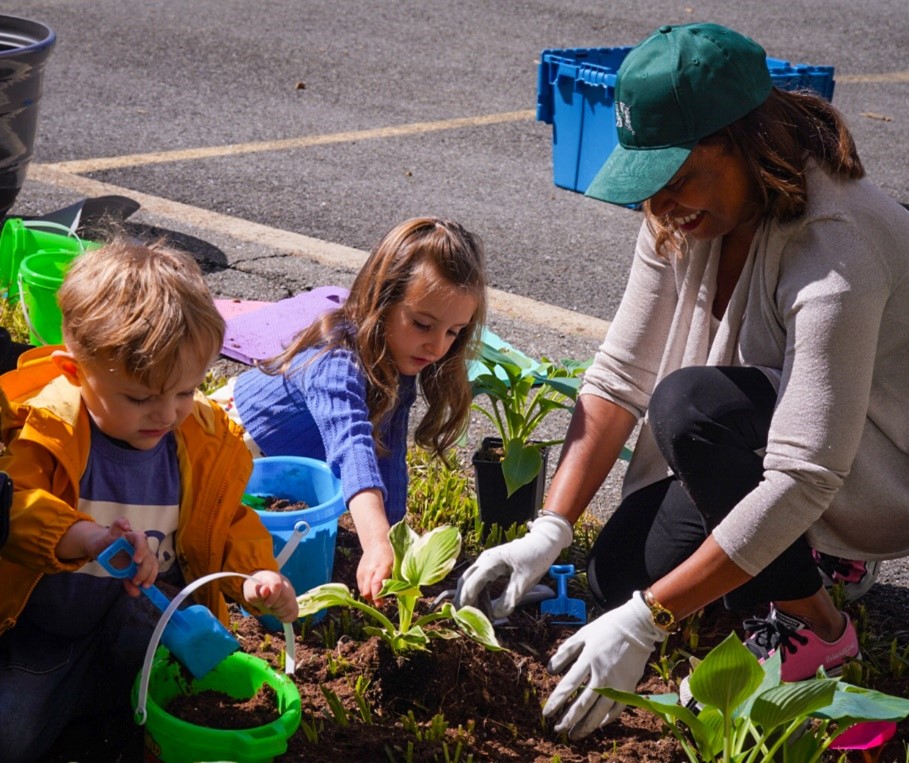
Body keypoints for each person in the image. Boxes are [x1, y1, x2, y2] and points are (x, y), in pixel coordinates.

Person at [455, 22, 909, 740]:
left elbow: (803, 474)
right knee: (618, 571)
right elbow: (618, 374)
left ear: (747, 139)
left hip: (874, 474)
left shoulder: (838, 245)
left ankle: (818, 620)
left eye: (675, 178)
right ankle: (792, 563)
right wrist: (550, 527)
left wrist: (650, 620)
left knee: (690, 408)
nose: (660, 204)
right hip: (771, 442)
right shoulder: (681, 213)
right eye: (648, 184)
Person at [0, 237, 298, 761]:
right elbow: (15, 509)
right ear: (75, 372)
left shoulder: (200, 444)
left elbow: (226, 521)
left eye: (185, 391)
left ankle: (115, 707)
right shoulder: (51, 433)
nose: (166, 413)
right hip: (48, 631)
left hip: (144, 630)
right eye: (139, 398)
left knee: (163, 693)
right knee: (12, 736)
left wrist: (256, 576)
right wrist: (85, 537)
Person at [221, 217, 487, 602]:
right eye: (423, 324)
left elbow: (388, 454)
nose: (438, 346)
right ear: (382, 298)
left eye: (453, 331)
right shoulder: (335, 357)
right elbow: (351, 447)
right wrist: (375, 540)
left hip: (277, 466)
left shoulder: (399, 359)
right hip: (225, 443)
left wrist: (391, 540)